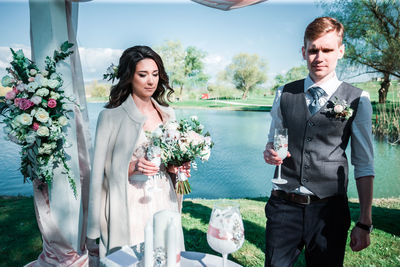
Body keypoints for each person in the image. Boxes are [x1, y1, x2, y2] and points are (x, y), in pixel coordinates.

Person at [263, 17, 374, 267]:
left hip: (329, 213)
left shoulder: (358, 99)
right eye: (313, 50)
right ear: (304, 52)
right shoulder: (284, 93)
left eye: (327, 50)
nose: (319, 57)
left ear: (340, 51)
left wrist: (364, 222)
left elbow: (364, 165)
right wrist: (269, 153)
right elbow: (272, 142)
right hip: (283, 207)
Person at [86, 46, 188, 259]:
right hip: (130, 202)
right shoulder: (110, 117)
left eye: (155, 74)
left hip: (165, 199)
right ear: (129, 76)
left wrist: (176, 167)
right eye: (143, 74)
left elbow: (172, 160)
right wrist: (131, 167)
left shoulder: (169, 114)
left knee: (168, 257)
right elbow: (98, 173)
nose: (151, 81)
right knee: (131, 259)